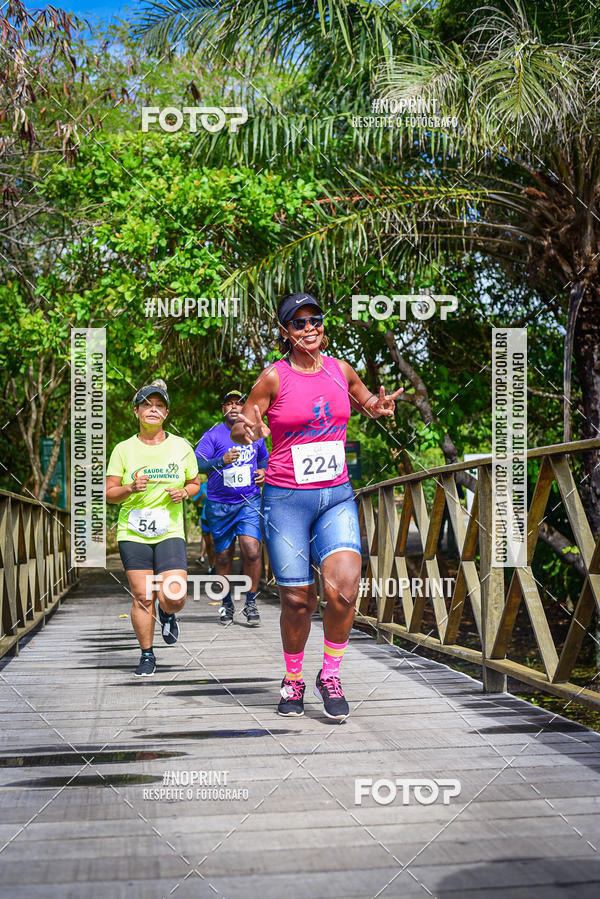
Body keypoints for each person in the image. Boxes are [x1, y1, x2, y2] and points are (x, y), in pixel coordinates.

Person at [231, 294, 402, 721]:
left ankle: (330, 674)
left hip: (336, 496)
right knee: (297, 600)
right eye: (299, 322)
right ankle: (293, 679)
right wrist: (244, 431)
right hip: (286, 499)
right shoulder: (273, 377)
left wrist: (379, 409)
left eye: (315, 320)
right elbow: (244, 424)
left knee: (343, 590)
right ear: (286, 332)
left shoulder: (341, 370)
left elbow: (366, 403)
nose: (310, 328)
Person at [106, 379, 200, 676]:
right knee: (142, 594)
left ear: (166, 414)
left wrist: (185, 493)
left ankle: (168, 613)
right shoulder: (123, 449)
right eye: (147, 405)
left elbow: (194, 483)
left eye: (159, 406)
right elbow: (109, 493)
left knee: (173, 594)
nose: (153, 410)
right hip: (132, 531)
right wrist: (130, 488)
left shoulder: (181, 447)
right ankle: (147, 654)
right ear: (136, 412)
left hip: (169, 530)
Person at [195, 390, 269, 626]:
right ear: (223, 409)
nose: (234, 407)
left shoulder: (253, 432)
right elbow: (196, 463)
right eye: (229, 403)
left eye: (239, 403)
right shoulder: (212, 435)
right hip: (219, 505)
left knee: (251, 551)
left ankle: (251, 601)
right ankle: (226, 603)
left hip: (248, 501)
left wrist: (264, 472)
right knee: (223, 557)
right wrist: (220, 461)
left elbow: (264, 459)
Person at [192, 480, 216, 570]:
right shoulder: (202, 486)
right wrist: (200, 498)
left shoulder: (221, 483)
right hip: (204, 517)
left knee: (213, 543)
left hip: (217, 518)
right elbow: (194, 503)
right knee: (208, 544)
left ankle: (216, 566)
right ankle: (211, 566)